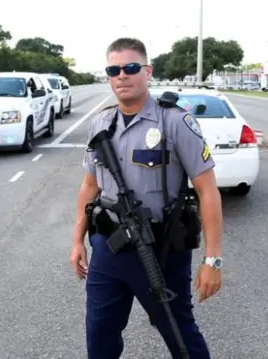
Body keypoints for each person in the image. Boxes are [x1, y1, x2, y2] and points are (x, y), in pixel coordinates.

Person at [69, 37, 223, 359]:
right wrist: (77, 241)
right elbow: (89, 186)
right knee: (99, 335)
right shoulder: (101, 124)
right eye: (114, 69)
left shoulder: (176, 122)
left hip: (161, 250)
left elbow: (208, 191)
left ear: (147, 71)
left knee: (179, 333)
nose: (122, 75)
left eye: (131, 67)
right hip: (109, 250)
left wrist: (212, 260)